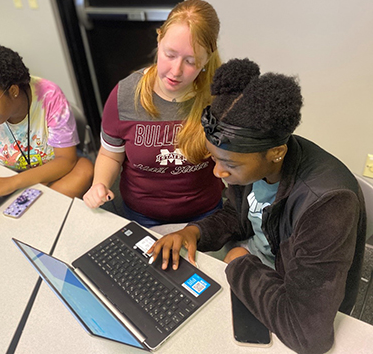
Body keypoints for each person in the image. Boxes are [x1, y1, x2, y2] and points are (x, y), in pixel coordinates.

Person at [149, 58, 366, 354]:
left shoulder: (328, 204)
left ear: (276, 153)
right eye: (214, 158)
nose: (218, 172)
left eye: (228, 164)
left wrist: (240, 262)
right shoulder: (255, 159)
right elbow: (239, 216)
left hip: (296, 293)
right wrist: (195, 232)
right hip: (262, 269)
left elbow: (308, 335)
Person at [83, 0, 225, 227]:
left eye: (190, 61)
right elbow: (110, 154)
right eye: (170, 55)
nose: (176, 71)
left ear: (207, 59)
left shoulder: (218, 98)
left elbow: (232, 163)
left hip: (204, 217)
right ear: (159, 40)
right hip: (143, 216)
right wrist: (99, 184)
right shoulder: (125, 95)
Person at [0, 41, 93, 200]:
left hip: (50, 172)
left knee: (84, 169)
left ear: (13, 91)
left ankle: (35, 207)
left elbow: (66, 159)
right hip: (7, 173)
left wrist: (11, 184)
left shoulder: (49, 98)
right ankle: (33, 205)